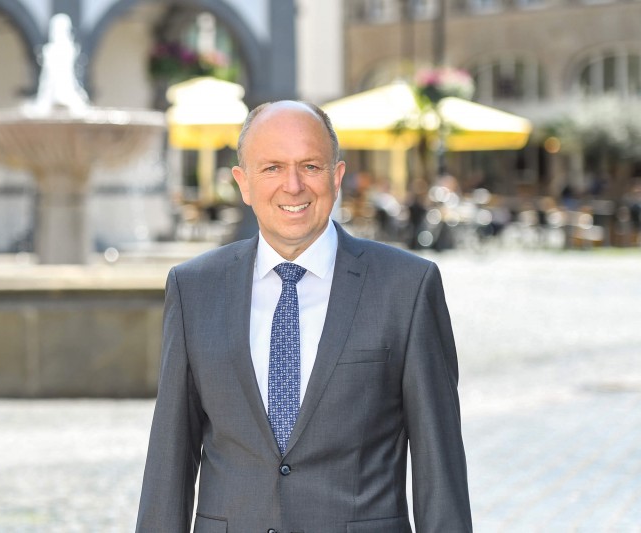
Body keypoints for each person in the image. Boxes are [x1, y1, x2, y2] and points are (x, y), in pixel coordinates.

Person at [136, 101, 472, 532]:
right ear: (243, 183)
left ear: (336, 177)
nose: (292, 186)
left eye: (310, 166)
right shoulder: (194, 289)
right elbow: (170, 459)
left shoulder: (406, 287)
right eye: (272, 167)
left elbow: (439, 471)